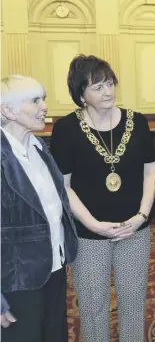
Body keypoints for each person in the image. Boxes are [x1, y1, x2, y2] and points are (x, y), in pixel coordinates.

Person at [50, 55, 155, 342]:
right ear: (80, 95)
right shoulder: (66, 129)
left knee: (134, 304)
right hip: (88, 235)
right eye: (97, 87)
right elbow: (63, 186)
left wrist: (142, 216)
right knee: (92, 308)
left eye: (110, 83)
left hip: (134, 231)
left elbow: (151, 171)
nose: (108, 91)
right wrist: (93, 224)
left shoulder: (138, 122)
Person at [0, 75, 78, 342]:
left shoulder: (39, 146)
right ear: (7, 110)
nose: (44, 106)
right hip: (15, 280)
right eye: (35, 100)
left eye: (43, 98)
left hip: (53, 268)